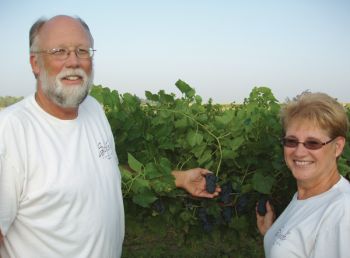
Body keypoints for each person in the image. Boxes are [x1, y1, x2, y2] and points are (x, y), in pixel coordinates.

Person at [0, 15, 219, 258]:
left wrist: (179, 178)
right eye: (59, 51)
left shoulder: (93, 109)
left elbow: (105, 172)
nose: (74, 61)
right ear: (35, 63)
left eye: (82, 50)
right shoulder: (10, 131)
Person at [256, 92, 350, 258]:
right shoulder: (305, 195)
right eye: (291, 141)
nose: (299, 152)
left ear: (337, 146)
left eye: (312, 143)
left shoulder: (342, 212)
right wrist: (273, 234)